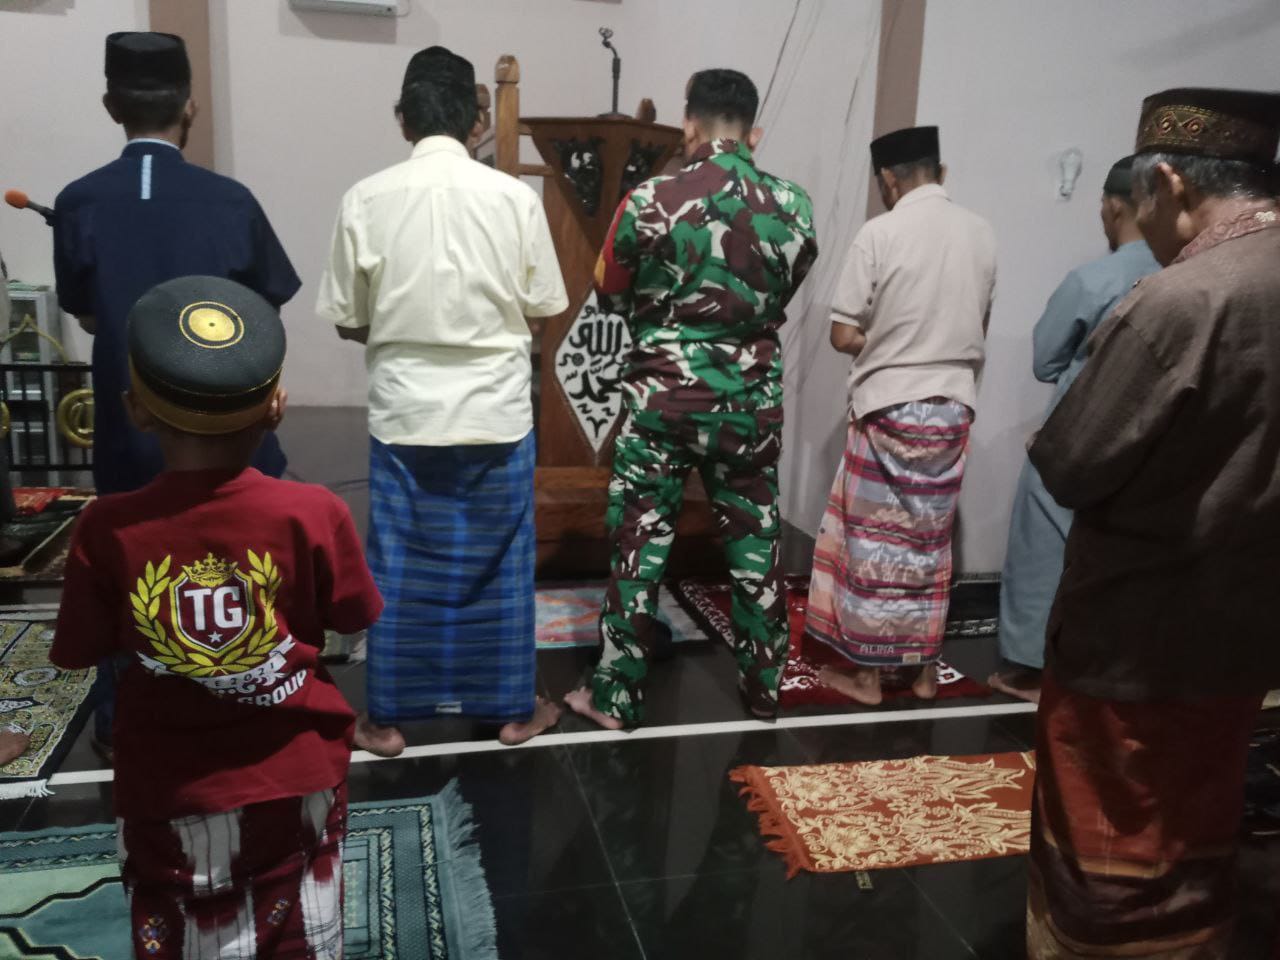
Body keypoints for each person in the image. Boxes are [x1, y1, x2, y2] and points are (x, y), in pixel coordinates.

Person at [50, 275, 381, 959]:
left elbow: (80, 650)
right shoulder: (315, 512)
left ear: (136, 410)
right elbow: (353, 614)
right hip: (297, 775)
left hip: (167, 789)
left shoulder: (106, 528)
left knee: (177, 934)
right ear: (277, 406)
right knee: (302, 930)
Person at [1025, 88, 1280, 959]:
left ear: (1170, 182)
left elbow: (1071, 461)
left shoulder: (1180, 301)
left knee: (1115, 847)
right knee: (1202, 821)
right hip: (1249, 625)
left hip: (1140, 637)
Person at [53, 32, 301, 763]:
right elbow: (265, 309)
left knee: (129, 560)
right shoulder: (231, 201)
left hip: (131, 425)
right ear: (190, 107)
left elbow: (88, 311)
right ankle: (243, 692)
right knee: (232, 557)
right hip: (225, 432)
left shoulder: (78, 201)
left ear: (111, 106)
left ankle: (123, 717)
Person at [317, 46, 568, 755]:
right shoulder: (515, 199)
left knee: (399, 566)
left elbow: (346, 318)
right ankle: (512, 712)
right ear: (476, 121)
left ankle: (386, 721)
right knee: (502, 566)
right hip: (496, 415)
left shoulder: (365, 198)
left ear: (403, 120)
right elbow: (542, 309)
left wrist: (400, 325)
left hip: (407, 415)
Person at [565, 68, 818, 730]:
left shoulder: (649, 199)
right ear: (752, 132)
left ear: (688, 124)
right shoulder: (793, 205)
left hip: (663, 406)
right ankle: (765, 691)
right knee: (756, 549)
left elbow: (608, 285)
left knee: (639, 546)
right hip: (749, 407)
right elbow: (784, 289)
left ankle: (617, 697)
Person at [804, 126, 996, 707]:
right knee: (930, 542)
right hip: (952, 409)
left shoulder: (880, 233)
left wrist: (888, 340)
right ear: (941, 172)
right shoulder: (981, 232)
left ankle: (867, 678)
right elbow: (978, 325)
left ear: (888, 179)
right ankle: (924, 673)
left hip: (889, 405)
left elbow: (843, 334)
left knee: (873, 541)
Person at [988, 157, 1160, 704]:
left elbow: (1046, 359)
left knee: (1045, 537)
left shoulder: (1096, 279)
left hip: (1081, 428)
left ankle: (1033, 671)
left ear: (1113, 206)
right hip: (1150, 432)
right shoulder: (1184, 273)